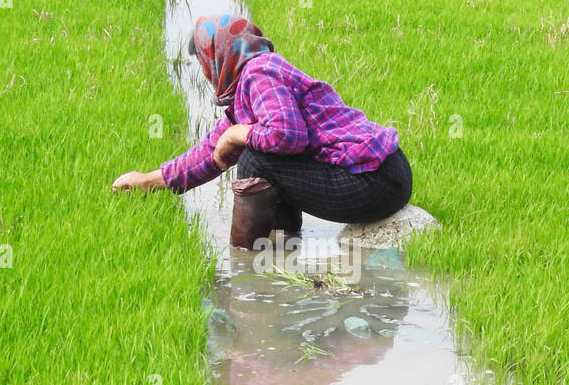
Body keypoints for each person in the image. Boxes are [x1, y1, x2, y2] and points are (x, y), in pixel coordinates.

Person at [112, 14, 412, 248]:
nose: (207, 73)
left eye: (205, 62)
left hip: (373, 184)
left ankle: (247, 264)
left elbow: (287, 136)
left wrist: (235, 136)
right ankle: (284, 244)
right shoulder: (253, 85)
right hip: (387, 174)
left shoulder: (260, 73)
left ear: (220, 56)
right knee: (260, 154)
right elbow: (208, 154)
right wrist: (148, 181)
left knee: (256, 160)